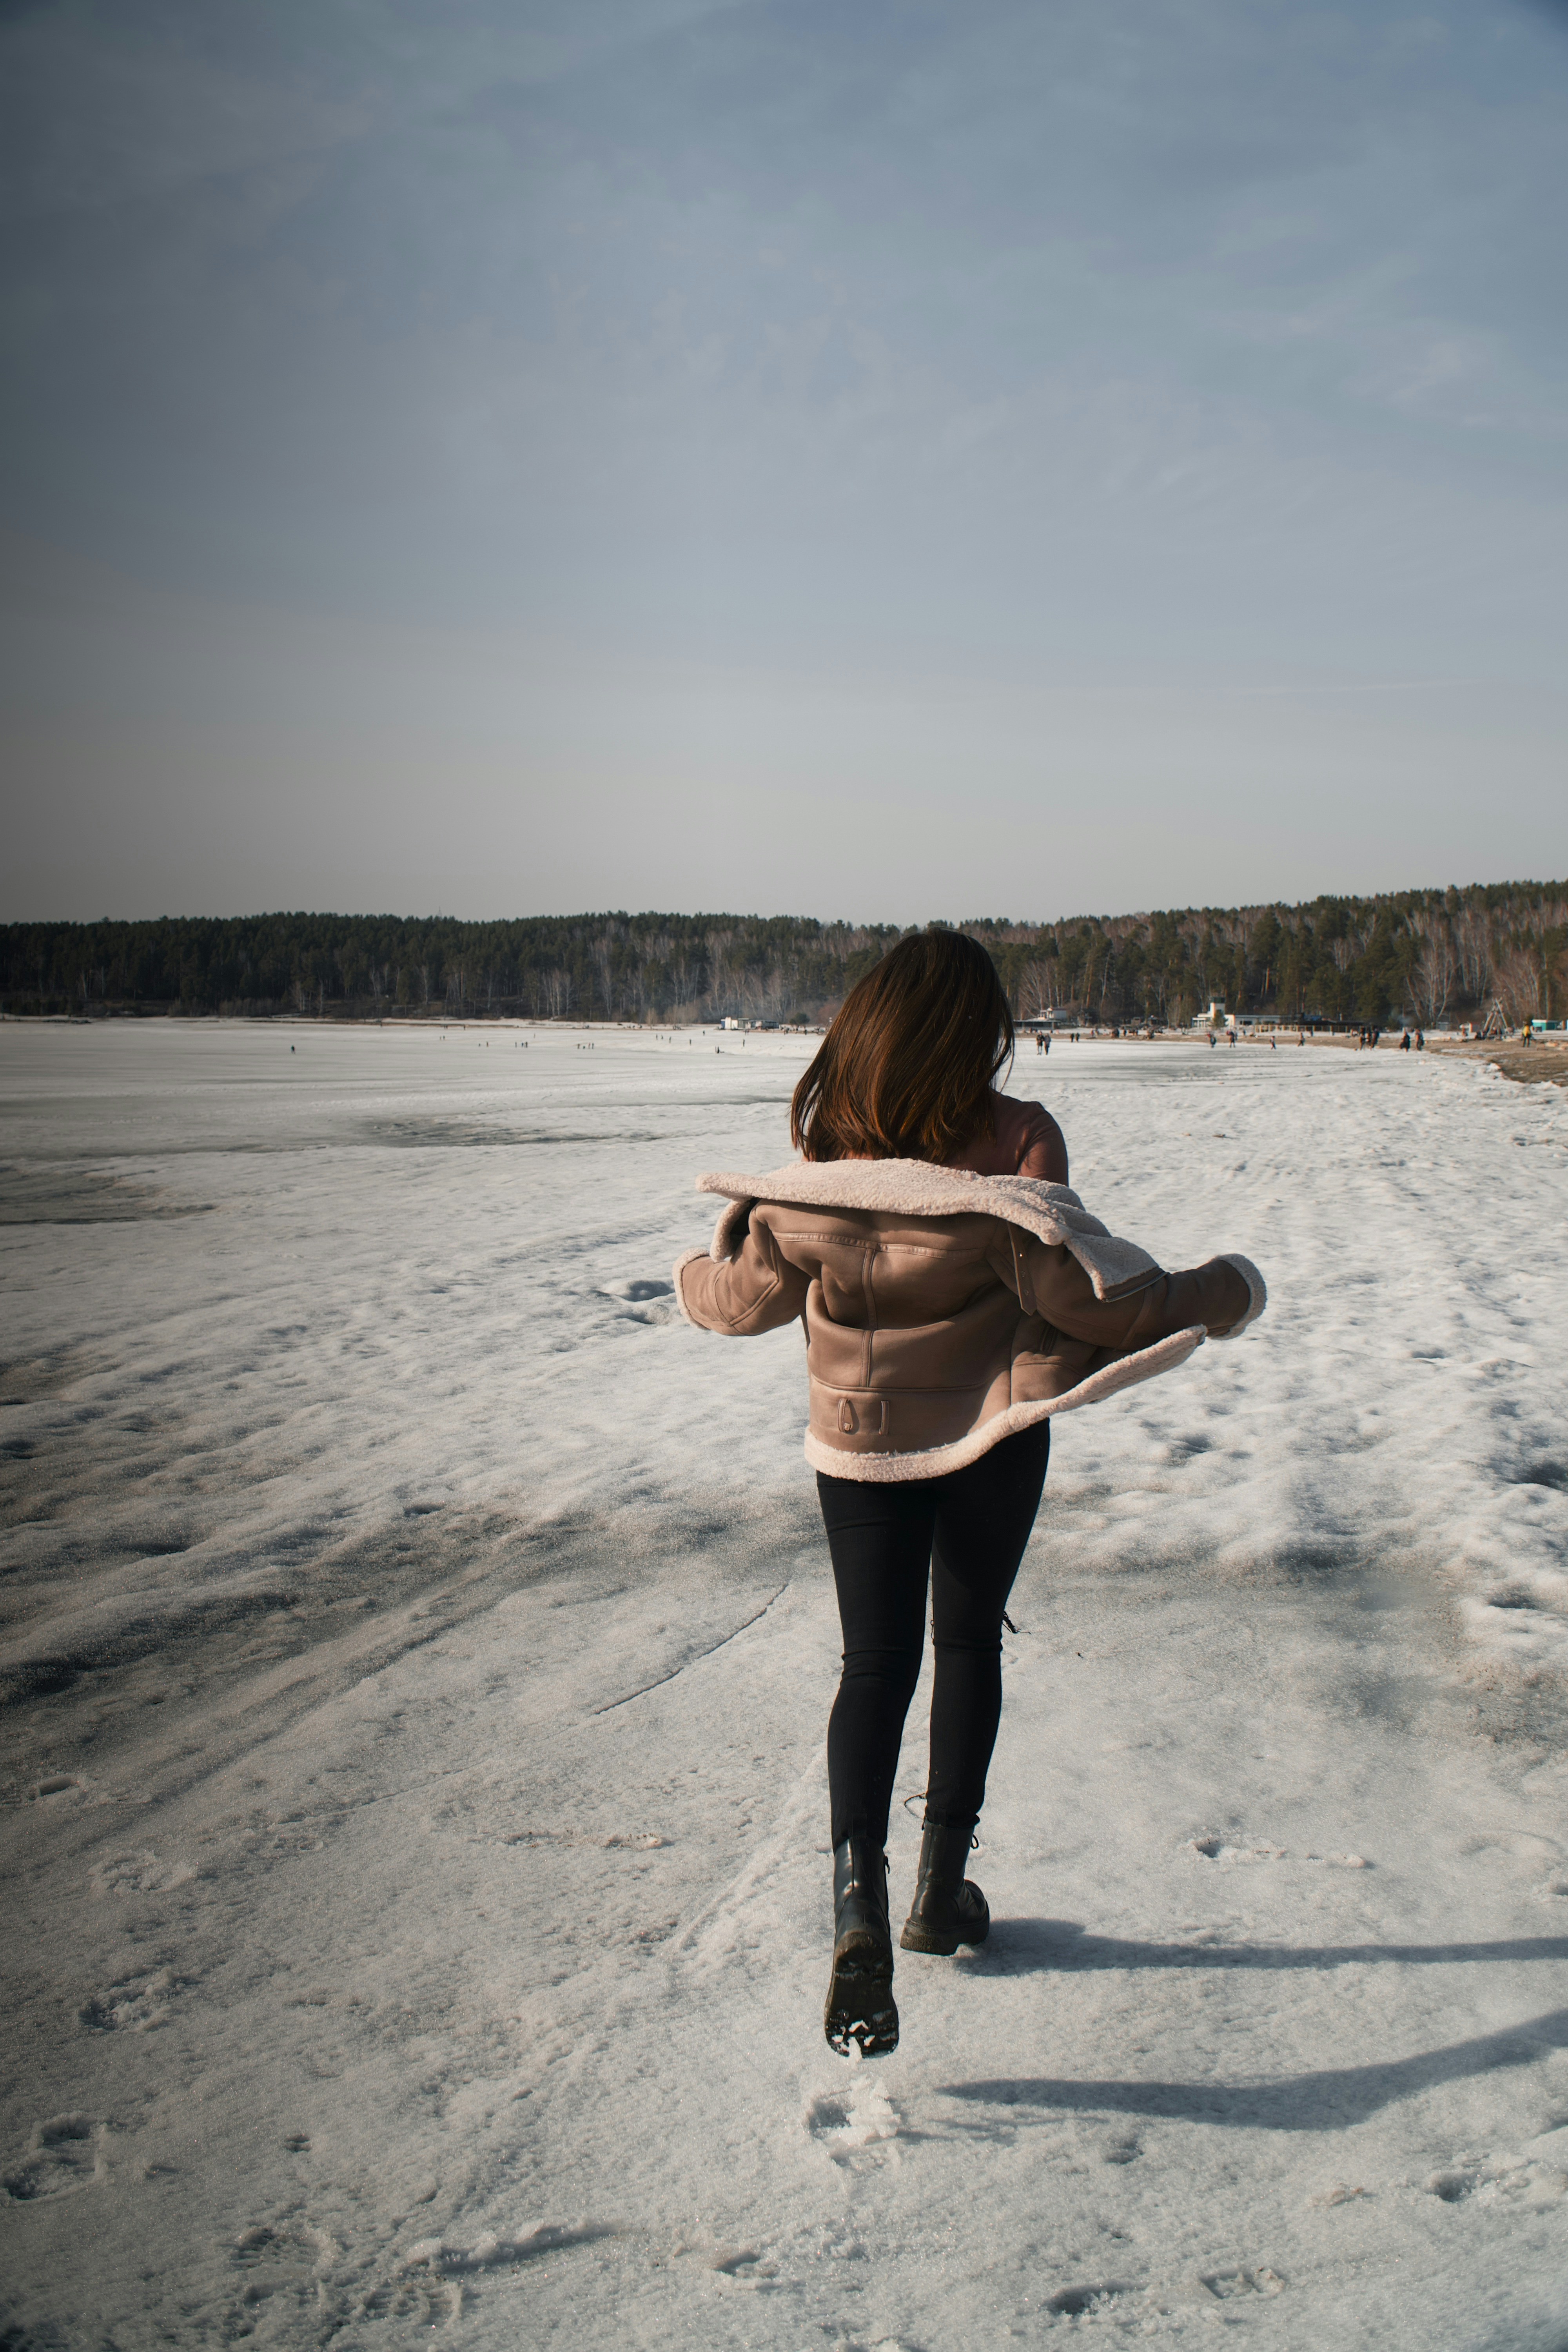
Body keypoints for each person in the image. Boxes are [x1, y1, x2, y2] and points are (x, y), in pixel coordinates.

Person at [673, 931, 1266, 2058]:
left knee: (875, 1663)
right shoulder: (1017, 1136)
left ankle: (858, 1906)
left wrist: (692, 1278)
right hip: (992, 1434)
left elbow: (743, 1299)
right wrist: (1223, 1290)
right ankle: (941, 1894)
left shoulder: (824, 1150)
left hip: (855, 1443)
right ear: (974, 1029)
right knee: (969, 1646)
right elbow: (1088, 1296)